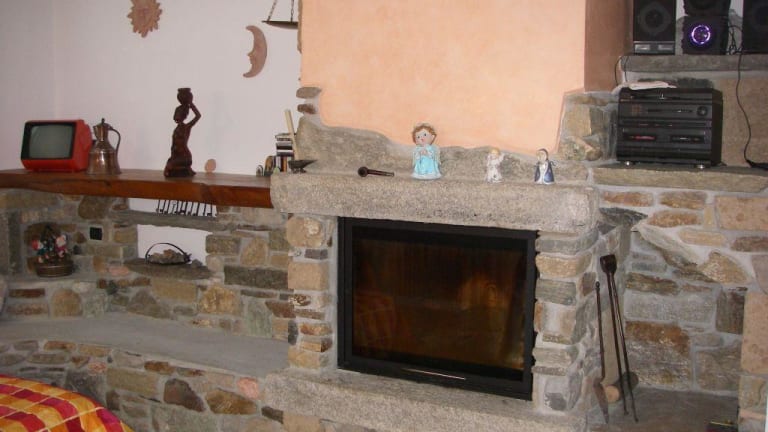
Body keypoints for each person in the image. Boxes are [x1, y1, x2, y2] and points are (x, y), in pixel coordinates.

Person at [164, 91, 201, 177]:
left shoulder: (186, 127)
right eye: (176, 113)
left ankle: (185, 168)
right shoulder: (177, 129)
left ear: (183, 115)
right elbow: (173, 145)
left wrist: (191, 104)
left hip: (184, 157)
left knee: (170, 164)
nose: (176, 115)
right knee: (169, 162)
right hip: (176, 156)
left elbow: (198, 116)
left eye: (178, 113)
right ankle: (184, 169)